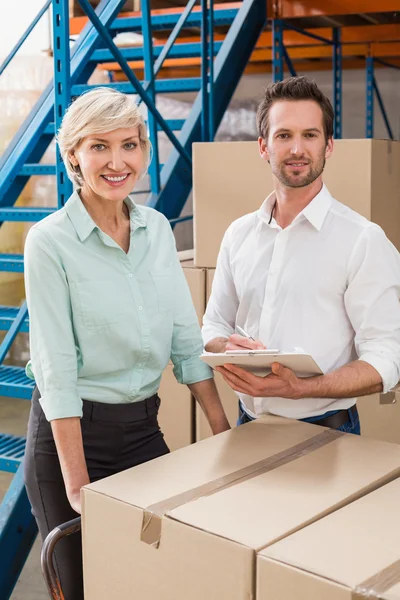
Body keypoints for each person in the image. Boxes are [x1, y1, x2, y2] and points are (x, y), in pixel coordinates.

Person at [24, 87, 230, 600]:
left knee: (149, 581)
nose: (117, 162)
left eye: (129, 144)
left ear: (143, 150)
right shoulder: (49, 242)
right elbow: (56, 369)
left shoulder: (157, 230)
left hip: (142, 432)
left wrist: (225, 432)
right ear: (73, 155)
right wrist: (77, 484)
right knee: (82, 586)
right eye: (99, 146)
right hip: (71, 440)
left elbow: (186, 337)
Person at [202, 76, 400, 434]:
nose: (296, 149)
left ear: (329, 146)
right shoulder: (238, 235)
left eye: (310, 135)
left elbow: (387, 359)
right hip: (247, 426)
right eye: (283, 136)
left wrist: (301, 389)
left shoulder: (362, 240)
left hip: (327, 431)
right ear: (263, 147)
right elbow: (213, 326)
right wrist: (225, 346)